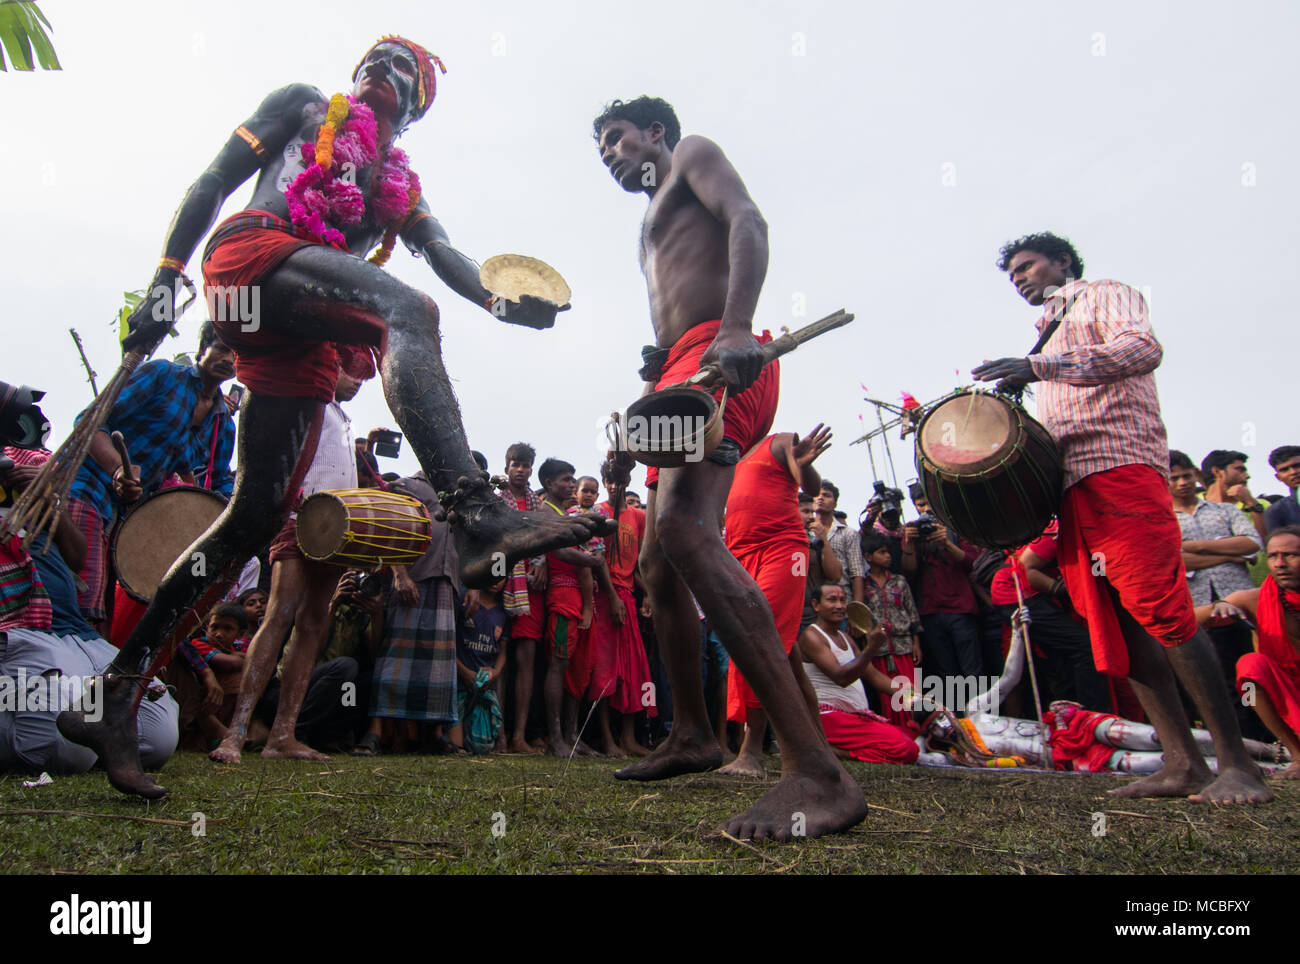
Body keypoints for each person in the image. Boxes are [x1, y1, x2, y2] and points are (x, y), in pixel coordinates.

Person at [61, 36, 610, 799]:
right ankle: (477, 510)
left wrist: (491, 296)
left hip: (306, 328)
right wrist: (164, 278)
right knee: (403, 309)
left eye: (406, 73)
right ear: (355, 74)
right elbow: (215, 178)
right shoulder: (302, 106)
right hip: (251, 262)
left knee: (254, 517)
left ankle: (117, 688)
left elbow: (442, 249)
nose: (386, 72)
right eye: (377, 60)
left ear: (415, 109)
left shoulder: (400, 184)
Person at [594, 95, 865, 838]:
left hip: (724, 351)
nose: (612, 156)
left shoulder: (691, 153)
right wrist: (658, 366)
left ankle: (816, 770)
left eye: (617, 140)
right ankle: (693, 734)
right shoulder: (648, 219)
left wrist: (739, 326)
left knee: (685, 529)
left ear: (654, 132)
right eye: (602, 151)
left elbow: (748, 220)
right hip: (680, 366)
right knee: (655, 560)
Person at [973, 231, 1270, 803]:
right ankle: (1183, 762)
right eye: (1012, 275)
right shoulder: (1047, 332)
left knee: (1163, 610)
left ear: (1063, 261)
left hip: (1120, 469)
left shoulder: (1103, 294)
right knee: (1122, 626)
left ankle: (1238, 766)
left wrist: (1038, 367)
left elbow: (1141, 349)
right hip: (1075, 487)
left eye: (1027, 266)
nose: (1020, 279)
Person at [209, 362, 366, 764]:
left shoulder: (343, 419)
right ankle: (237, 732)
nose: (358, 386)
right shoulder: (306, 403)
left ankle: (284, 735)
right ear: (333, 368)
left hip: (336, 529)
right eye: (354, 376)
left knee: (313, 624)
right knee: (280, 614)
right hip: (298, 519)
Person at [67, 321, 236, 630]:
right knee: (83, 599)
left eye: (238, 355)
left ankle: (91, 672)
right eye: (223, 348)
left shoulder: (222, 424)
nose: (229, 360)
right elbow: (90, 421)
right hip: (85, 486)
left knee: (102, 604)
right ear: (203, 349)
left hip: (128, 516)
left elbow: (220, 481)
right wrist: (118, 468)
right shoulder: (163, 374)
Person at [717, 427, 833, 779]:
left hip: (783, 548)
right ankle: (820, 748)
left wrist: (803, 464)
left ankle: (751, 750)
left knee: (759, 641)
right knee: (787, 655)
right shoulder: (729, 456)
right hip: (740, 553)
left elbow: (808, 485)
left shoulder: (780, 440)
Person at [1196, 526, 1300, 779]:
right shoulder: (1254, 599)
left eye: (1290, 555)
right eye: (1273, 556)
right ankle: (1296, 754)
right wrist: (1218, 607)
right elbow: (1187, 620)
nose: (1280, 564)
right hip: (1287, 693)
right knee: (1250, 666)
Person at [798, 584, 920, 765]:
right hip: (829, 717)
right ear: (816, 605)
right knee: (907, 749)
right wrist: (871, 649)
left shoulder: (846, 638)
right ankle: (835, 752)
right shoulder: (812, 636)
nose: (839, 606)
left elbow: (874, 676)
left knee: (912, 734)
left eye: (842, 600)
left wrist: (915, 698)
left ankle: (832, 748)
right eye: (832, 600)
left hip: (855, 718)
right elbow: (841, 678)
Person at [537, 458, 604, 756]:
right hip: (562, 595)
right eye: (566, 479)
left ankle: (572, 736)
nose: (571, 485)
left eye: (572, 479)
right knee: (558, 664)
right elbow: (559, 550)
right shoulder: (546, 511)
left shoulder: (565, 513)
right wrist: (590, 561)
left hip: (578, 595)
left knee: (577, 668)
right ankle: (556, 739)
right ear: (549, 483)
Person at [903, 491, 982, 684]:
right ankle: (954, 714)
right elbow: (909, 571)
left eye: (929, 504)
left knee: (973, 671)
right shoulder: (912, 530)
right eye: (921, 505)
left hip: (961, 609)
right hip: (931, 612)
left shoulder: (955, 526)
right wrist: (909, 543)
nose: (926, 509)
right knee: (946, 675)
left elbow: (972, 562)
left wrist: (946, 542)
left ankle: (979, 713)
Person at [860, 531, 923, 728]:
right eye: (882, 552)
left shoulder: (899, 582)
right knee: (888, 696)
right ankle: (896, 732)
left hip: (903, 645)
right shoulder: (863, 585)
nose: (888, 556)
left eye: (888, 552)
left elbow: (912, 614)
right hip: (879, 650)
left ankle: (915, 730)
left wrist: (916, 643)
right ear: (868, 556)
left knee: (911, 692)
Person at [811, 480, 865, 606]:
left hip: (842, 601)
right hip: (814, 603)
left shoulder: (848, 533)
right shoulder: (805, 532)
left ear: (835, 504)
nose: (820, 498)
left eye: (826, 495)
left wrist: (857, 611)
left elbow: (857, 573)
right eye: (817, 495)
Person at [1201, 450, 1269, 541]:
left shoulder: (1261, 504)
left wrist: (1252, 503)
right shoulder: (1191, 503)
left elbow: (1266, 543)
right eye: (1240, 469)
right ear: (1217, 471)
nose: (1247, 476)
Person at [1265, 446, 1300, 533]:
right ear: (1278, 477)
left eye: (1297, 466)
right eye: (1284, 470)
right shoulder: (1277, 511)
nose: (1293, 472)